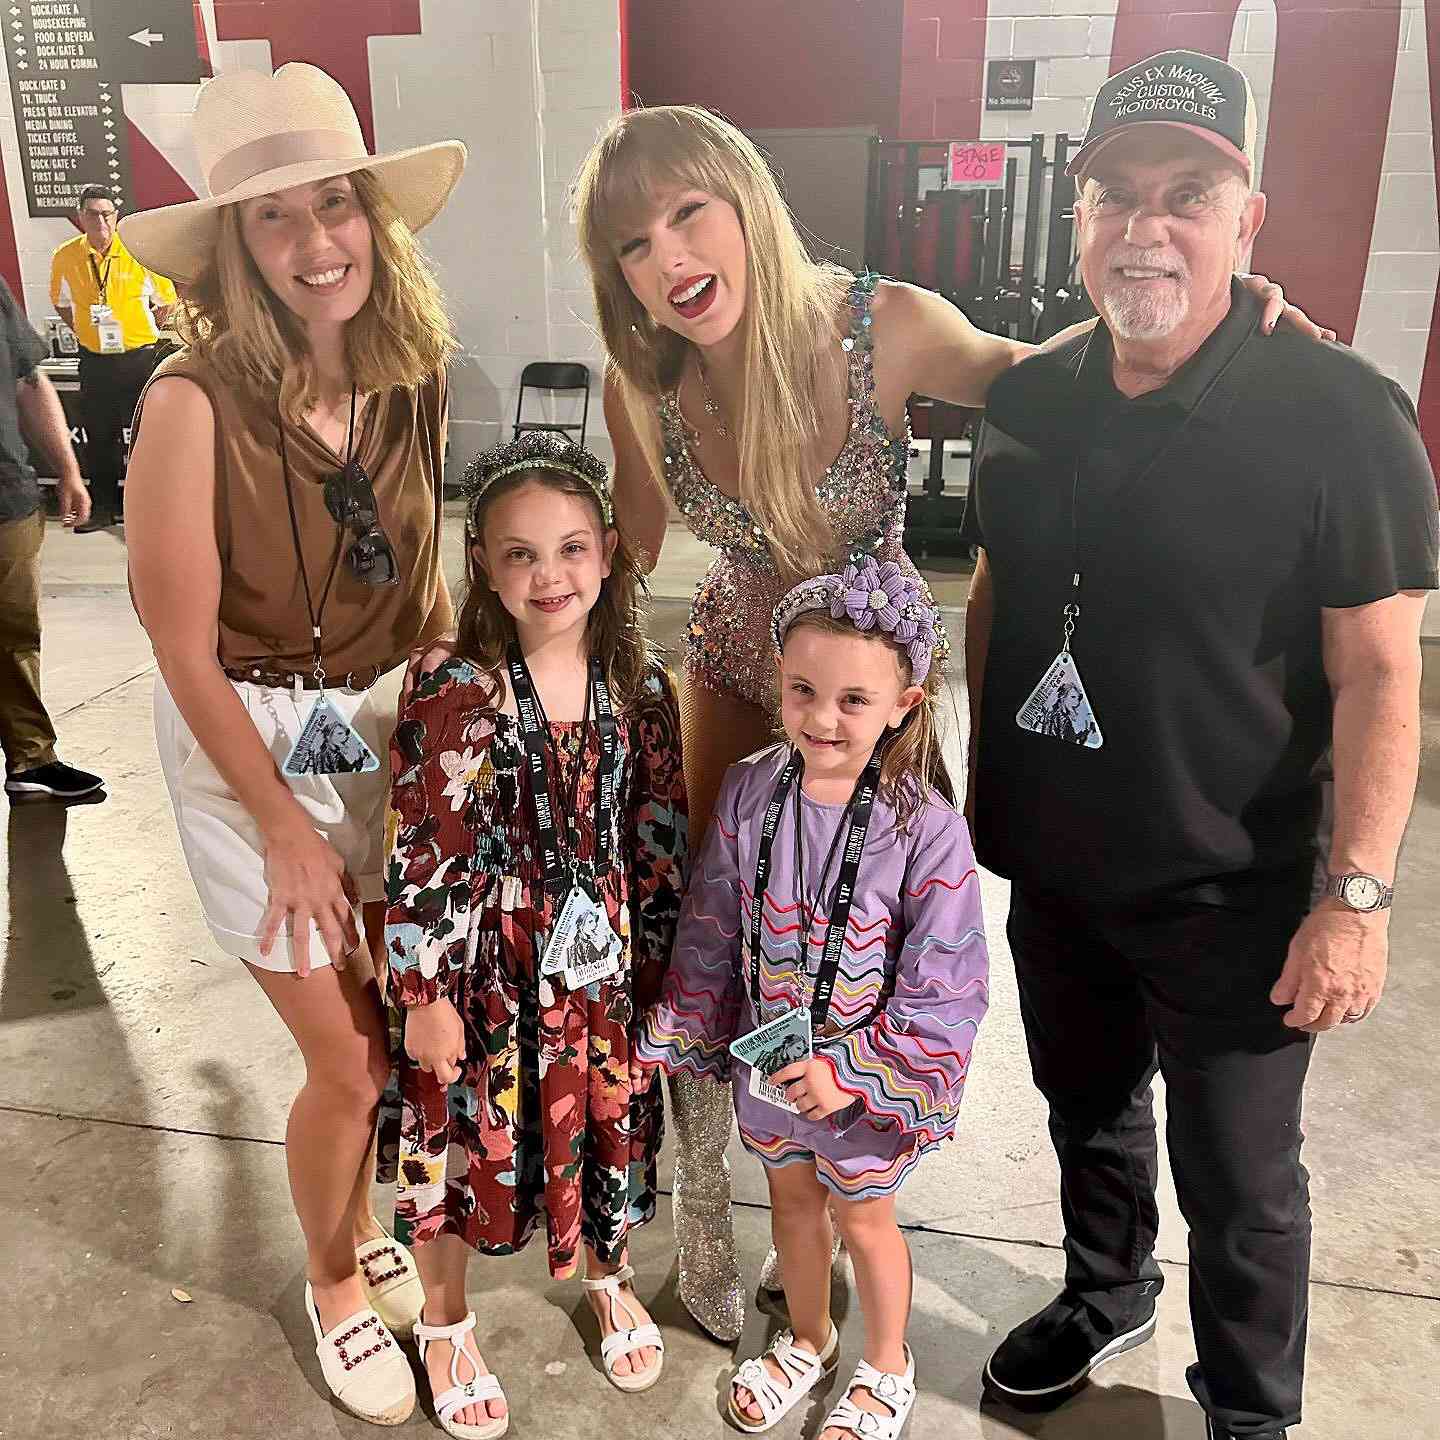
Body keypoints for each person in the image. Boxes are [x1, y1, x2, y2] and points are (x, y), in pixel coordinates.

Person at [571, 101, 1327, 1339]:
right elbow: (627, 552)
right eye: (630, 245)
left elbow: (1052, 381)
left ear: (745, 201)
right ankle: (715, 1209)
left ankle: (833, 1181)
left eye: (686, 214)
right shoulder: (638, 383)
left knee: (862, 957)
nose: (667, 259)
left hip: (873, 690)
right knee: (715, 941)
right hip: (729, 670)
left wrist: (1214, 300)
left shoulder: (884, 324)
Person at [961, 51, 1438, 1440]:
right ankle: (1108, 1290)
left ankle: (1249, 1412)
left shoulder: (1341, 415)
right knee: (1087, 1112)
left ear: (1249, 220)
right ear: (1078, 220)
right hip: (1059, 865)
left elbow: (1378, 673)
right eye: (1114, 195)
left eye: (1187, 194)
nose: (1144, 226)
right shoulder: (1032, 397)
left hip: (1237, 882)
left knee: (1243, 1179)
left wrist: (1355, 901)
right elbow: (996, 592)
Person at [119, 63, 467, 1425]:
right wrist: (278, 823)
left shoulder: (412, 371)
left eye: (337, 205)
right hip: (245, 740)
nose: (320, 243)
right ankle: (333, 1283)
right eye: (277, 220)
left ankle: (360, 1222)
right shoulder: (190, 404)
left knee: (392, 1022)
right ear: (234, 250)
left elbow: (423, 577)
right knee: (352, 1061)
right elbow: (179, 645)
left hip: (380, 724)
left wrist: (445, 692)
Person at [637, 558, 987, 1440]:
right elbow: (716, 912)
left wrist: (858, 1073)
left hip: (860, 1083)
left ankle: (887, 1362)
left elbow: (947, 986)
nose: (822, 719)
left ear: (906, 702)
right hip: (772, 1060)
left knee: (863, 1219)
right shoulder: (753, 787)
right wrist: (686, 1021)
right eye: (802, 690)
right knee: (790, 1202)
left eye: (853, 701)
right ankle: (808, 1336)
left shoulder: (926, 829)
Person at [385, 434, 685, 1438]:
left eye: (568, 549)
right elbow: (422, 854)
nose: (548, 575)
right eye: (518, 553)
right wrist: (421, 995)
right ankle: (443, 1318)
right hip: (483, 967)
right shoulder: (455, 690)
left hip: (598, 971)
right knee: (459, 1137)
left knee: (607, 1119)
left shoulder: (640, 688)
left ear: (607, 553)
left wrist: (664, 976)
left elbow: (657, 839)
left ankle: (608, 1273)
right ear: (483, 563)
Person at [0, 276, 105, 800]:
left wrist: (68, 470)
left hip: (6, 497)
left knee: (16, 636)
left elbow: (29, 381)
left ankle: (31, 759)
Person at [50, 183, 177, 531]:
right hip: (95, 360)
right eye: (93, 214)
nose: (101, 221)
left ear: (116, 215)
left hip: (138, 360)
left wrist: (141, 329)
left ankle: (151, 509)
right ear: (80, 217)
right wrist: (85, 332)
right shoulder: (66, 255)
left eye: (107, 213)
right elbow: (61, 303)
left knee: (147, 436)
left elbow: (166, 301)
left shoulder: (137, 252)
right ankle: (104, 509)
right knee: (99, 436)